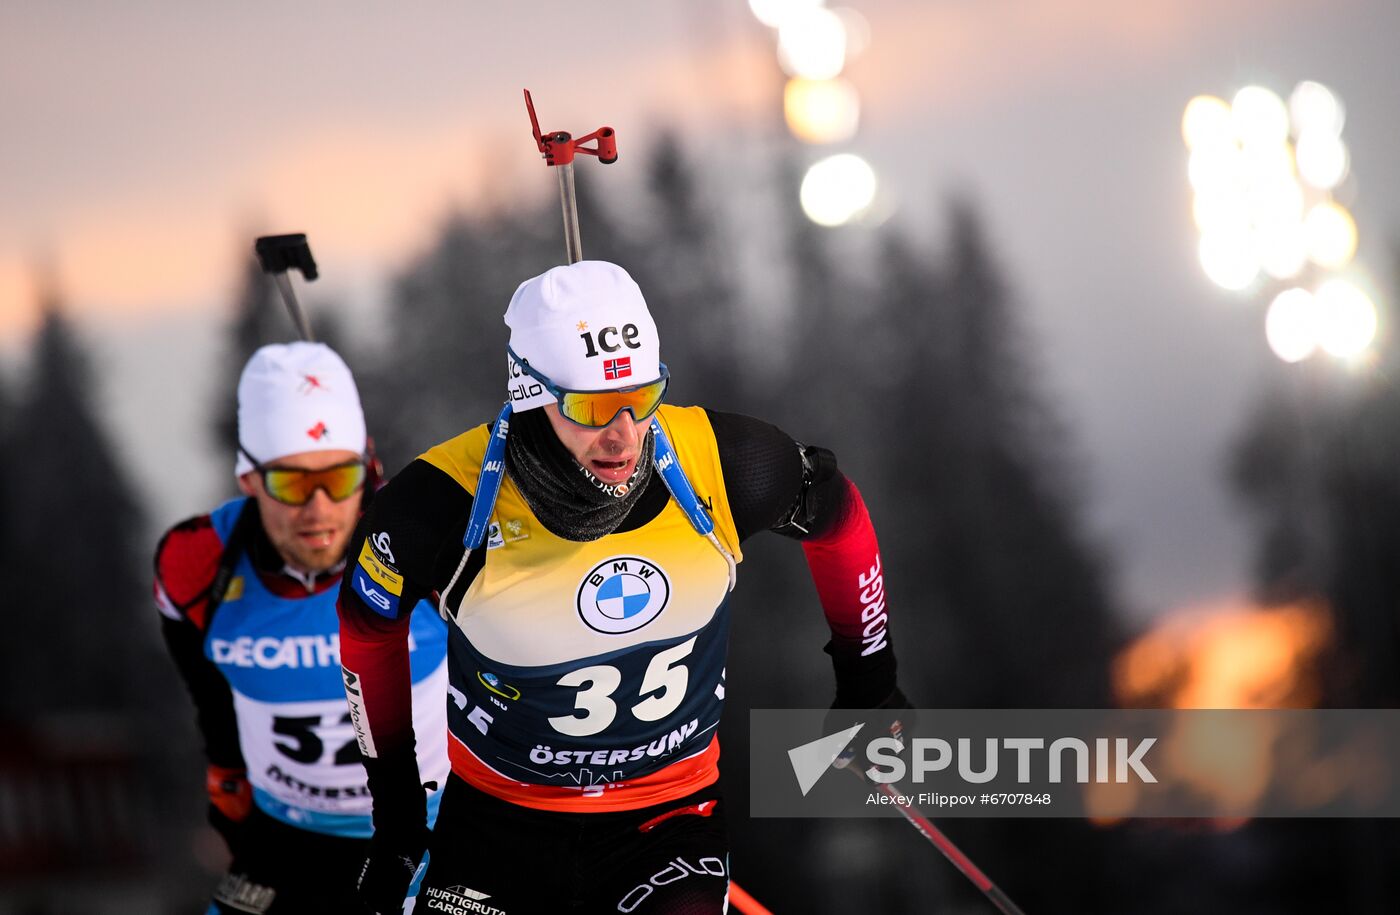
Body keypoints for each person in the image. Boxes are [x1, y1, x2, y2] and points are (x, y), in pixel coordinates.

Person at [339, 261, 908, 914]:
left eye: (642, 395)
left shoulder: (723, 463)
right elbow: (366, 627)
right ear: (531, 392)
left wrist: (868, 676)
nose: (624, 433)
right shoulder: (441, 504)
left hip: (666, 818)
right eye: (591, 407)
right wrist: (399, 812)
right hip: (497, 826)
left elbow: (839, 519)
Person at [154, 342, 450, 914]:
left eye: (339, 478)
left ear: (367, 469)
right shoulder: (196, 564)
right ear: (248, 477)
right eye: (291, 484)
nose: (318, 508)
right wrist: (228, 791)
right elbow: (207, 695)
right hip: (287, 840)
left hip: (433, 832)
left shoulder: (421, 541)